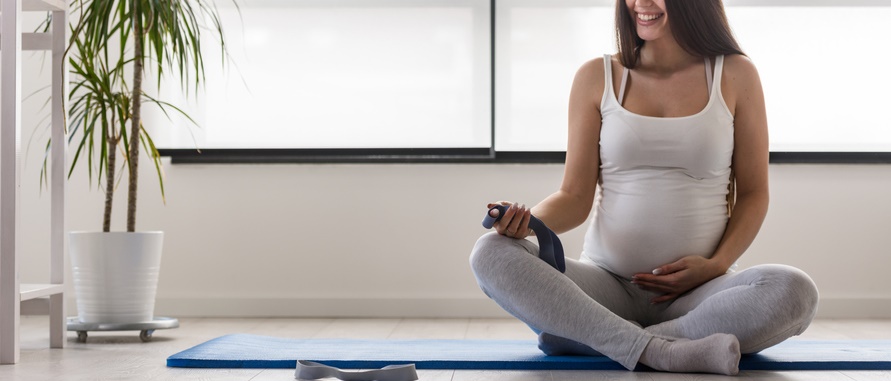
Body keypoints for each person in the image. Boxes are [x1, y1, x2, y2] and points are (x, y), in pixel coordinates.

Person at [469, 0, 819, 375]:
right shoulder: (597, 76)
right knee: (490, 252)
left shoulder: (735, 73)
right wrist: (524, 221)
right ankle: (660, 351)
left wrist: (714, 265)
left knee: (795, 290)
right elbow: (574, 197)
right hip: (604, 288)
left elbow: (753, 193)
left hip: (698, 296)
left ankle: (593, 337)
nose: (641, 3)